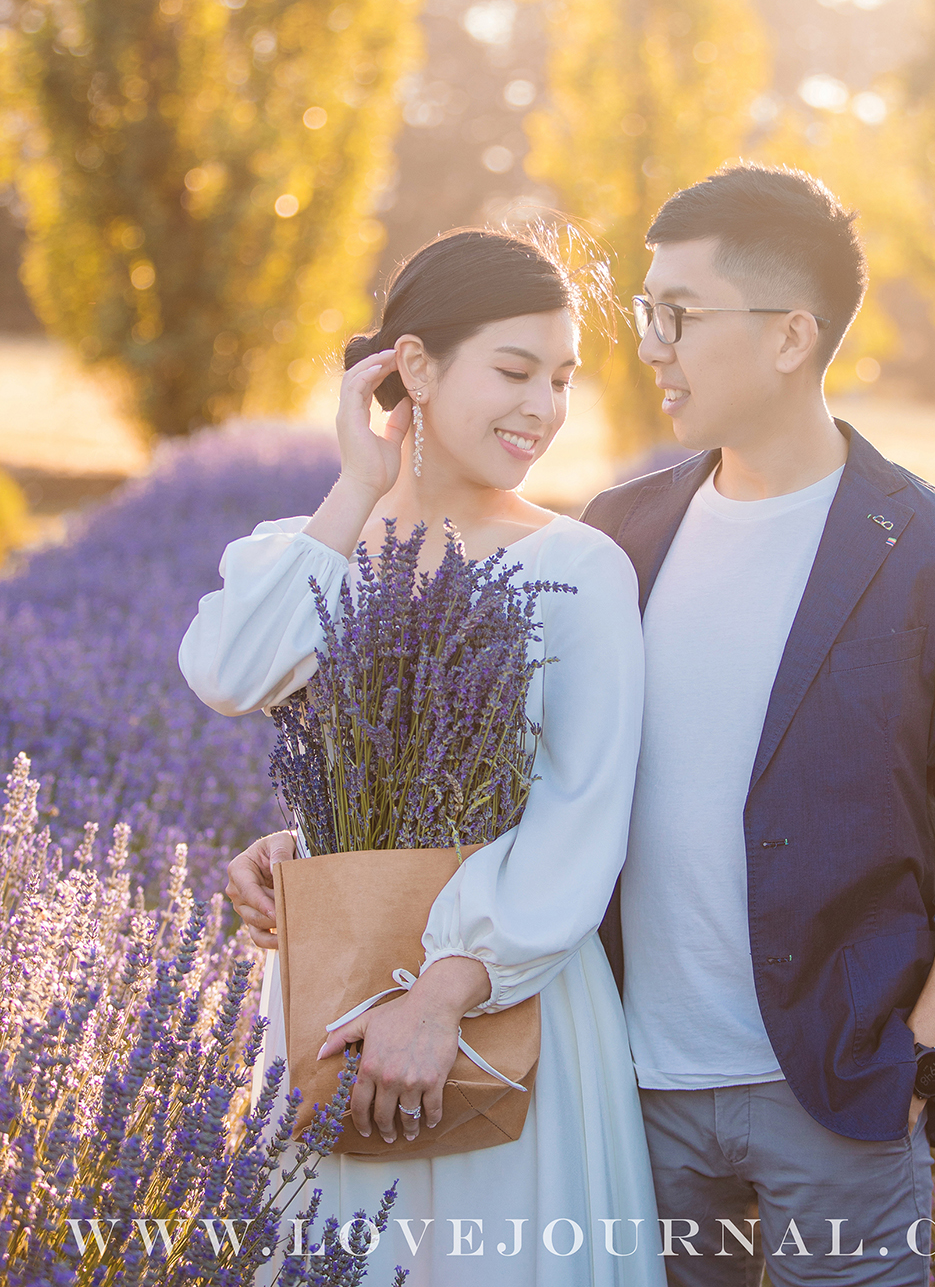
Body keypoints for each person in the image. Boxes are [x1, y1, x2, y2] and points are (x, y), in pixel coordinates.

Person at [579, 163, 935, 1287]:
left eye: (677, 316)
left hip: (839, 1102)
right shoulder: (613, 534)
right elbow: (517, 784)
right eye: (649, 314)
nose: (651, 344)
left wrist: (919, 1056)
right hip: (625, 1101)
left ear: (790, 337)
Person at [179, 228, 665, 1285]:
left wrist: (438, 997)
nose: (542, 408)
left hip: (503, 996)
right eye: (513, 370)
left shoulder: (575, 568)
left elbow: (581, 813)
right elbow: (229, 672)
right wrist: (357, 487)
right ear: (414, 366)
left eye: (562, 378)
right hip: (338, 999)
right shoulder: (310, 547)